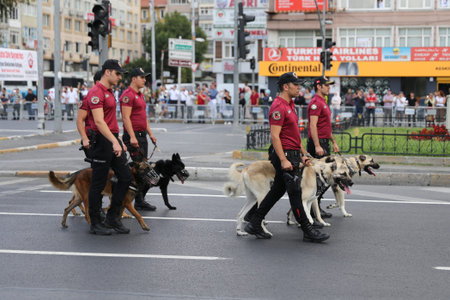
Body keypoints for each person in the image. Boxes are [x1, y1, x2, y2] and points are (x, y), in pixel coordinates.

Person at [244, 72, 329, 243]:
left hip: (292, 153)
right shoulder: (278, 106)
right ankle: (307, 229)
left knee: (277, 190)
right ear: (285, 86)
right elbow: (275, 136)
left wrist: (303, 153)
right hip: (284, 154)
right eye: (296, 84)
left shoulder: (289, 104)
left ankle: (254, 222)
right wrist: (283, 159)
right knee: (295, 192)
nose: (299, 87)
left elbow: (294, 136)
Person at [86, 59, 131, 235]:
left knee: (126, 177)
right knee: (98, 183)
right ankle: (95, 222)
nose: (120, 77)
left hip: (112, 139)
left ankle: (112, 216)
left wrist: (118, 139)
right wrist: (113, 141)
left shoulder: (110, 92)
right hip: (102, 142)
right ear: (107, 72)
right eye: (117, 73)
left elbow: (111, 121)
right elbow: (98, 121)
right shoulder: (96, 92)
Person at [120, 67, 157, 211]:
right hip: (133, 136)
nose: (144, 79)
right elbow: (125, 117)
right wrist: (133, 137)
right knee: (142, 171)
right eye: (142, 77)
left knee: (145, 170)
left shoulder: (140, 95)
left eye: (145, 77)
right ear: (134, 78)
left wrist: (151, 134)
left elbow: (143, 117)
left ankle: (139, 200)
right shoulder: (127, 95)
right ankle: (134, 200)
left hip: (142, 136)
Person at [307, 77, 339, 219]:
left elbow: (325, 126)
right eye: (326, 85)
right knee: (320, 178)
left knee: (323, 178)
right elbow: (313, 125)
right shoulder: (315, 103)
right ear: (319, 86)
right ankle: (313, 209)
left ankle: (316, 207)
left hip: (323, 141)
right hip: (318, 143)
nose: (329, 88)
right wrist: (317, 145)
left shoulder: (322, 102)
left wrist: (333, 141)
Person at [77, 71, 101, 162]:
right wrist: (85, 138)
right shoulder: (88, 98)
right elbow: (80, 120)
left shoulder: (105, 96)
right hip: (92, 138)